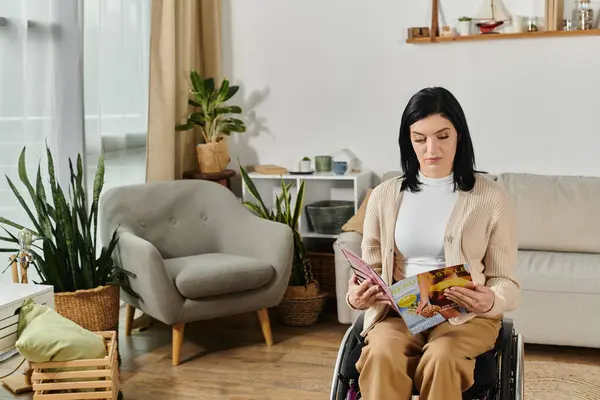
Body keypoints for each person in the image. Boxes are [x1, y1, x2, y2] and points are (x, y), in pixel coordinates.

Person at [345, 87, 520, 400]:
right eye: (419, 138)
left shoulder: (491, 197)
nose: (431, 149)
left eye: (442, 136)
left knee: (441, 358)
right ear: (408, 140)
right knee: (380, 355)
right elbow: (369, 271)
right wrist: (356, 297)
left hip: (466, 316)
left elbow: (505, 279)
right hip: (398, 314)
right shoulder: (384, 195)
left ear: (459, 136)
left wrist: (491, 301)